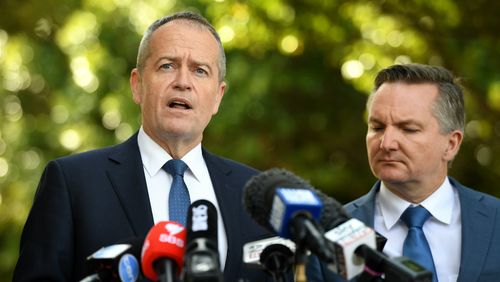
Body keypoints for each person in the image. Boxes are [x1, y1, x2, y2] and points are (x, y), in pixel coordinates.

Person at [14, 11, 278, 281]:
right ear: (137, 85)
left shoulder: (256, 196)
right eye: (167, 66)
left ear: (218, 97)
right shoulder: (73, 184)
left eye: (200, 70)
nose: (183, 82)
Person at [307, 63, 500, 282]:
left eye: (408, 129)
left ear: (451, 144)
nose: (386, 143)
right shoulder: (327, 237)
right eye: (377, 127)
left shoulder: (495, 222)